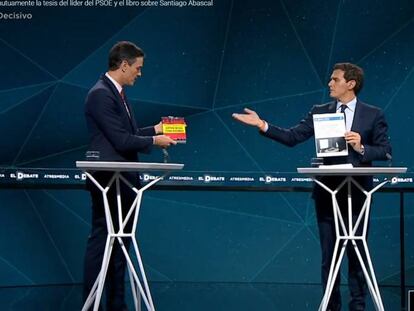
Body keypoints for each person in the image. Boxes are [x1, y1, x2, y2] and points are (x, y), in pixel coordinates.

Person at [232, 62, 392, 311]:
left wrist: (361, 146)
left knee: (356, 251)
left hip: (358, 194)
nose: (329, 83)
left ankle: (358, 306)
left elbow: (384, 151)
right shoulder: (320, 111)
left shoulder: (373, 114)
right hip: (328, 193)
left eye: (335, 79)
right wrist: (262, 124)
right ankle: (331, 306)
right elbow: (292, 137)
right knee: (330, 255)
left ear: (351, 84)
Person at [83, 41, 176, 311]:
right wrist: (155, 141)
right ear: (124, 65)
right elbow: (122, 141)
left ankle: (117, 303)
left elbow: (128, 134)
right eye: (138, 67)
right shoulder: (101, 94)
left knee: (121, 241)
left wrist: (155, 129)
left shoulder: (117, 93)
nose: (140, 73)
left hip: (123, 180)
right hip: (109, 180)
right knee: (104, 240)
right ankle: (94, 304)